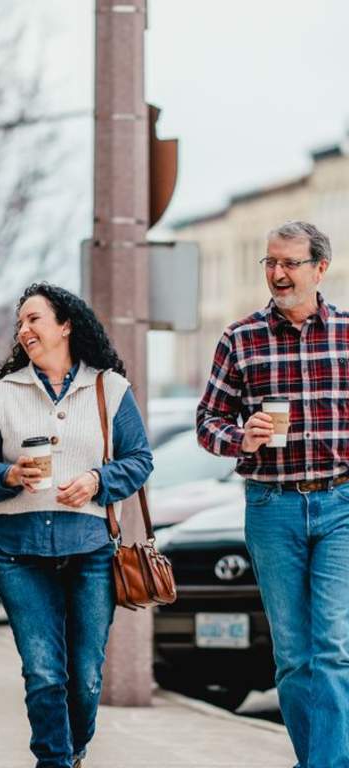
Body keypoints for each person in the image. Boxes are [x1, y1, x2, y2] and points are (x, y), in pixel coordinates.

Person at [0, 283, 153, 768]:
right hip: (20, 554)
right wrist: (8, 474)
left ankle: (73, 752)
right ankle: (53, 761)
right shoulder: (3, 393)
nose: (24, 330)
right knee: (45, 673)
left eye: (34, 319)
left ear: (65, 324)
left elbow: (140, 460)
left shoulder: (108, 388)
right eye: (20, 323)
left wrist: (96, 481)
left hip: (90, 550)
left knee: (87, 675)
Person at [196, 221, 349, 768]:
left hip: (340, 506)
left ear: (319, 269)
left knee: (333, 651)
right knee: (293, 659)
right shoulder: (241, 338)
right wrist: (242, 436)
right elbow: (207, 420)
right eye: (270, 263)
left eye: (289, 263)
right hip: (271, 507)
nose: (277, 274)